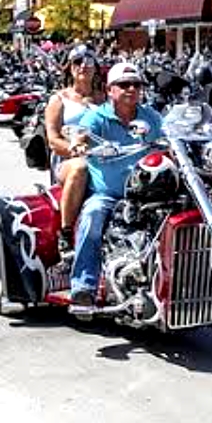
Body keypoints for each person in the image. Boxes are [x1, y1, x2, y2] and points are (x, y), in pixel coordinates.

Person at [68, 62, 164, 313]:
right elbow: (81, 135)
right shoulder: (98, 116)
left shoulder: (151, 116)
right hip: (109, 195)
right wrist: (79, 144)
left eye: (137, 84)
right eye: (124, 85)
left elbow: (171, 136)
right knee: (92, 215)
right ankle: (83, 288)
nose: (131, 89)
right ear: (110, 90)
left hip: (148, 194)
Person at [45, 46, 104, 248]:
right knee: (80, 167)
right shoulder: (59, 99)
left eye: (88, 61)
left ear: (96, 68)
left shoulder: (105, 99)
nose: (83, 66)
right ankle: (66, 232)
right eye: (77, 62)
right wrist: (75, 149)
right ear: (70, 68)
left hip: (104, 157)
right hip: (68, 161)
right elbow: (53, 139)